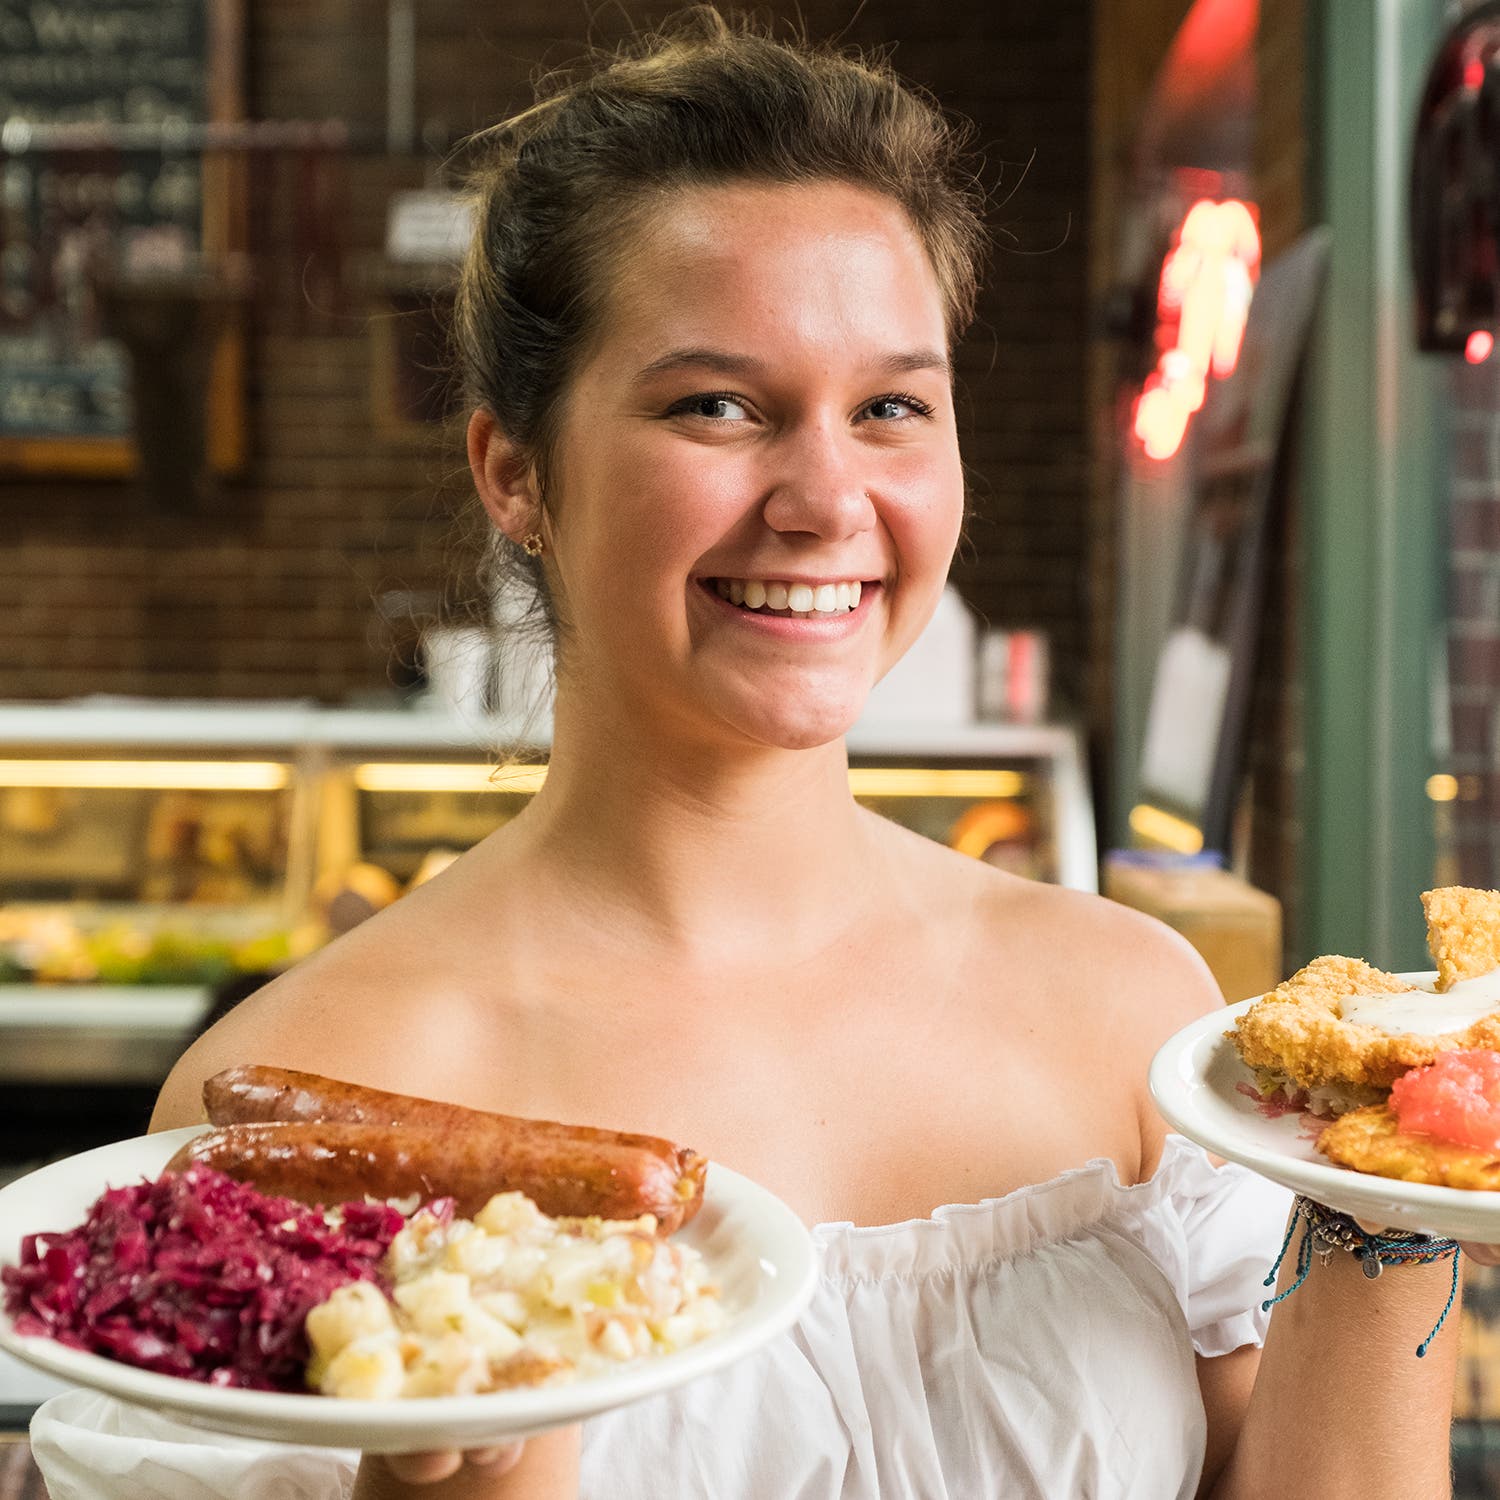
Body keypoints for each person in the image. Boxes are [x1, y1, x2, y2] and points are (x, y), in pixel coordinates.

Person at [27, 10, 1491, 1499]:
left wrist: (1388, 1182)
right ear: (515, 474)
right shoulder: (315, 1090)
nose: (825, 496)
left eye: (891, 408)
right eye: (716, 405)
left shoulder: (1137, 1012)